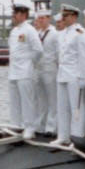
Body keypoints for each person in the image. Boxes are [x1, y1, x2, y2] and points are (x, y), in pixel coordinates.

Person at [49, 5, 85, 147]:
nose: (63, 19)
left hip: (74, 75)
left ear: (73, 16)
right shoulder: (62, 33)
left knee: (76, 107)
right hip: (62, 74)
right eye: (62, 16)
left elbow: (84, 56)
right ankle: (63, 136)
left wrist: (83, 76)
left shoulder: (80, 33)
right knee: (62, 107)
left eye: (65, 16)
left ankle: (77, 136)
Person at [6, 4, 42, 139]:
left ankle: (29, 127)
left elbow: (38, 50)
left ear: (23, 15)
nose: (13, 16)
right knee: (14, 101)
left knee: (27, 101)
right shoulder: (14, 31)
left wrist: (29, 63)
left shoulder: (30, 30)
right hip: (13, 71)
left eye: (15, 14)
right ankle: (16, 126)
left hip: (25, 71)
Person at [33, 7, 58, 136]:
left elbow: (58, 53)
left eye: (43, 18)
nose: (40, 21)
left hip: (50, 68)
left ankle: (51, 127)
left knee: (52, 99)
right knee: (41, 100)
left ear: (48, 19)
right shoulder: (38, 34)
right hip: (39, 69)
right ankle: (40, 126)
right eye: (39, 19)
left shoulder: (54, 34)